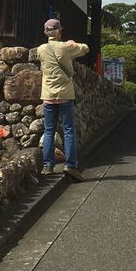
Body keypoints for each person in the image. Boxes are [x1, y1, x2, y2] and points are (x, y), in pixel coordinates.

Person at [37, 18, 88, 180]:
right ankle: (70, 166)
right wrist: (73, 43)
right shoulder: (66, 47)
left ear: (45, 32)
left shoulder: (41, 49)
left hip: (48, 95)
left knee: (49, 131)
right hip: (65, 94)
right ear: (59, 31)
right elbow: (85, 48)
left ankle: (48, 166)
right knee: (68, 130)